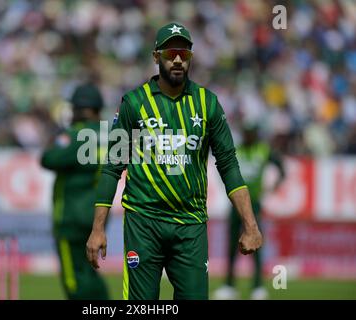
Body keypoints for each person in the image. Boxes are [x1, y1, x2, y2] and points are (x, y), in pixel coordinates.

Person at [86, 22, 263, 300]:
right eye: (170, 54)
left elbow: (228, 165)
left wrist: (250, 225)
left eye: (184, 53)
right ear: (157, 57)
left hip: (190, 226)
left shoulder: (208, 104)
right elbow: (112, 167)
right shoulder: (134, 103)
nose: (178, 59)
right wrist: (97, 229)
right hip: (143, 223)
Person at [40, 83, 109, 300]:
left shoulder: (76, 135)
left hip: (70, 217)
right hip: (98, 218)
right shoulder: (111, 136)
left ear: (79, 109)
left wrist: (61, 134)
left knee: (74, 280)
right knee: (91, 272)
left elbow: (48, 159)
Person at [214, 124, 285, 300]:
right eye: (246, 132)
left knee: (257, 245)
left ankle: (258, 286)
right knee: (231, 246)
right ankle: (229, 285)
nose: (248, 135)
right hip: (236, 204)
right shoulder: (236, 149)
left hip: (254, 203)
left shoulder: (263, 149)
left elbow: (282, 168)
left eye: (251, 133)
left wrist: (275, 185)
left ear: (255, 134)